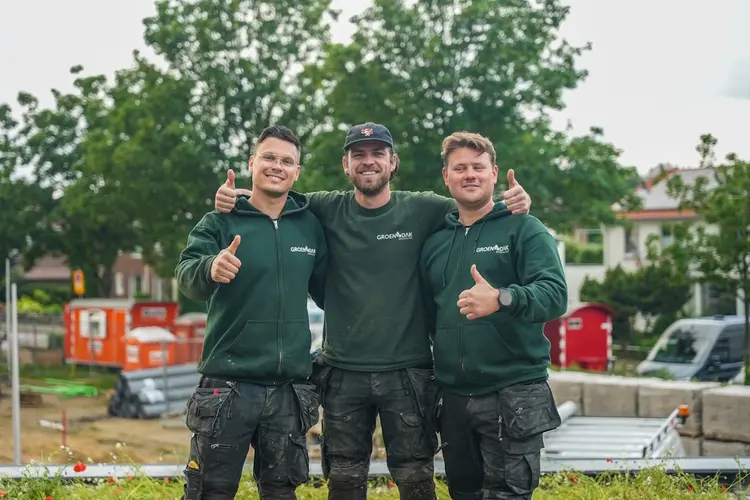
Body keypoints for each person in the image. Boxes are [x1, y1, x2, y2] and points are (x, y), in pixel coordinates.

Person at [213, 122, 532, 500]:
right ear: (345, 165)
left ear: (392, 162)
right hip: (344, 371)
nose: (368, 162)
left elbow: (474, 204)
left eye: (378, 154)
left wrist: (513, 205)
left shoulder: (425, 208)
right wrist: (238, 199)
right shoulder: (323, 207)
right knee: (345, 480)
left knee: (415, 477)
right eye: (358, 155)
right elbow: (276, 198)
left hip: (409, 372)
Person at [175, 125, 328, 500]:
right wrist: (210, 268)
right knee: (209, 491)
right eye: (269, 157)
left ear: (297, 172)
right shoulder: (219, 222)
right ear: (251, 163)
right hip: (227, 386)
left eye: (287, 161)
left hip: (289, 389)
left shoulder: (310, 226)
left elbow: (331, 292)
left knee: (281, 492)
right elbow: (186, 276)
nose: (277, 166)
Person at [420, 131, 568, 500]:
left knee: (507, 495)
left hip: (512, 393)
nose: (469, 174)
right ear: (446, 177)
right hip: (454, 397)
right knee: (463, 494)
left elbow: (555, 295)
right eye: (460, 168)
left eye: (478, 167)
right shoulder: (435, 241)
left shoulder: (525, 228)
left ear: (494, 173)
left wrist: (502, 298)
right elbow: (427, 313)